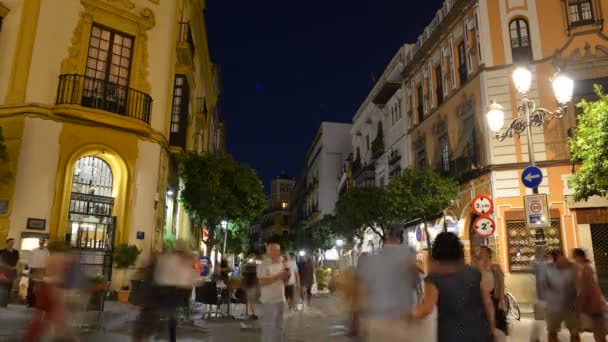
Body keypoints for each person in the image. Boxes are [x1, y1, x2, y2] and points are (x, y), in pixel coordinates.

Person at [410, 232, 496, 342]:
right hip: (479, 333)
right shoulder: (474, 273)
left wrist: (408, 314)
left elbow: (426, 309)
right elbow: (488, 303)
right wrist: (492, 330)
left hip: (451, 335)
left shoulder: (434, 279)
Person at [356, 226, 421, 342]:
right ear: (400, 240)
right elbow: (416, 285)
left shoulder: (370, 259)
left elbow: (362, 290)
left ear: (384, 241)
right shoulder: (408, 255)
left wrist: (359, 317)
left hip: (376, 320)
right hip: (401, 320)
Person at [154, 240, 197, 342]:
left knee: (170, 314)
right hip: (174, 292)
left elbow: (160, 275)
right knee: (171, 315)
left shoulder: (169, 258)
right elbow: (189, 279)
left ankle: (165, 332)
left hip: (166, 291)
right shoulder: (180, 261)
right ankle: (168, 334)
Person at [545, 250, 581, 342]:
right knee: (552, 332)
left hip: (570, 306)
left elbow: (578, 284)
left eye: (562, 257)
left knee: (574, 332)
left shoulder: (572, 268)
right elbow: (545, 284)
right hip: (553, 306)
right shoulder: (549, 269)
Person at [258, 242, 289, 342]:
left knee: (279, 327)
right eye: (275, 250)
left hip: (280, 299)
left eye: (279, 250)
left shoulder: (281, 264)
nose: (278, 252)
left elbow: (284, 281)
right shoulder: (264, 265)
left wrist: (286, 277)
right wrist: (279, 276)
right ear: (269, 252)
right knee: (269, 328)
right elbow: (262, 282)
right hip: (269, 301)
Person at [573, 248, 607, 342]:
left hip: (594, 306)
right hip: (594, 305)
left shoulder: (584, 269)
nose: (574, 260)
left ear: (579, 257)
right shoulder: (587, 267)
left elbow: (584, 290)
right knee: (598, 333)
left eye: (574, 257)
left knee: (599, 334)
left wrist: (578, 307)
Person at [477, 246, 508, 337]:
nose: (480, 253)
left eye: (483, 251)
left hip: (494, 297)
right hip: (482, 298)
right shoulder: (477, 268)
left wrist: (501, 299)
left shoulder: (495, 267)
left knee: (496, 321)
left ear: (488, 254)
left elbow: (501, 283)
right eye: (480, 251)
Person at [529, 246, 551, 342]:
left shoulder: (546, 263)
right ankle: (535, 338)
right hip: (540, 296)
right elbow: (533, 281)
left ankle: (537, 338)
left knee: (545, 319)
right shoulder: (535, 264)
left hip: (546, 296)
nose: (545, 253)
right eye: (543, 252)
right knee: (539, 319)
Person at [27, 238, 50, 307]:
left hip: (42, 270)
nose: (41, 242)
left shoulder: (47, 252)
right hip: (33, 269)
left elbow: (48, 261)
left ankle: (37, 303)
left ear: (44, 242)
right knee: (31, 286)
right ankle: (30, 302)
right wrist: (29, 267)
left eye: (42, 241)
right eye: (40, 241)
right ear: (38, 242)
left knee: (40, 287)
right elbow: (29, 259)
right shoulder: (34, 250)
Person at [0, 238, 20, 307]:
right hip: (3, 270)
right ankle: (1, 301)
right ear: (7, 243)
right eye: (10, 242)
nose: (12, 244)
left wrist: (16, 268)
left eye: (13, 242)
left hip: (12, 271)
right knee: (2, 285)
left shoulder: (16, 252)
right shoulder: (2, 251)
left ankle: (6, 302)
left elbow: (17, 261)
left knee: (9, 286)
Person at [242, 254, 260, 320]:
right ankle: (252, 313)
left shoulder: (251, 266)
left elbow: (244, 275)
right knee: (251, 300)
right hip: (251, 285)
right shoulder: (252, 266)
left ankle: (252, 313)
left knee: (251, 300)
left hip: (252, 285)